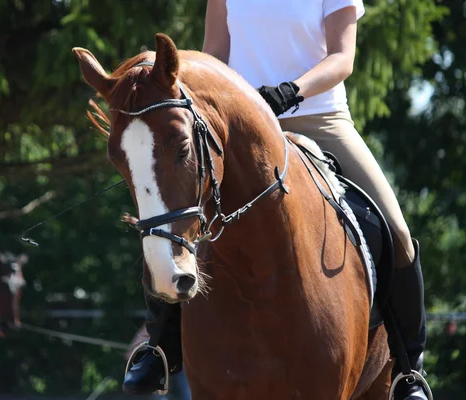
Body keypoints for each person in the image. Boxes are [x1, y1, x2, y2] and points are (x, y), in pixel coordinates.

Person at [122, 1, 430, 399]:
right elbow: (213, 54)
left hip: (318, 118)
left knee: (398, 232)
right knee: (173, 220)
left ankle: (409, 371)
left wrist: (290, 92)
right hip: (235, 129)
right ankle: (160, 349)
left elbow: (342, 58)